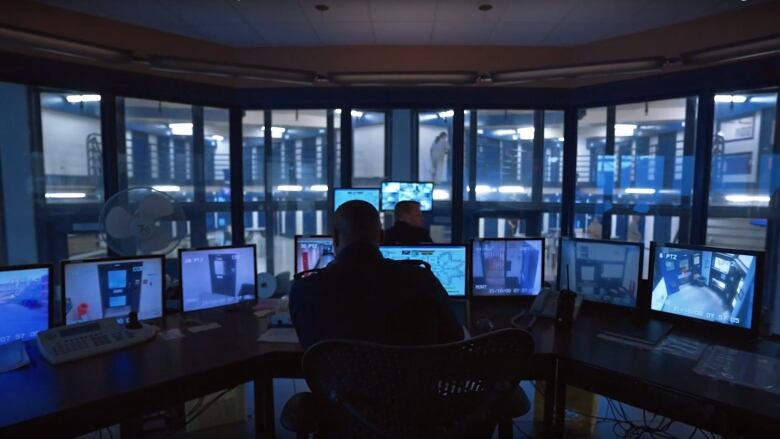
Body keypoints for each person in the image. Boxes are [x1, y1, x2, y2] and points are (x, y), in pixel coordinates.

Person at [289, 200, 463, 348]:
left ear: (334, 237)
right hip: (408, 386)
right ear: (381, 236)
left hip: (338, 387)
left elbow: (308, 344)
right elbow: (454, 337)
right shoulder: (421, 280)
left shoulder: (304, 290)